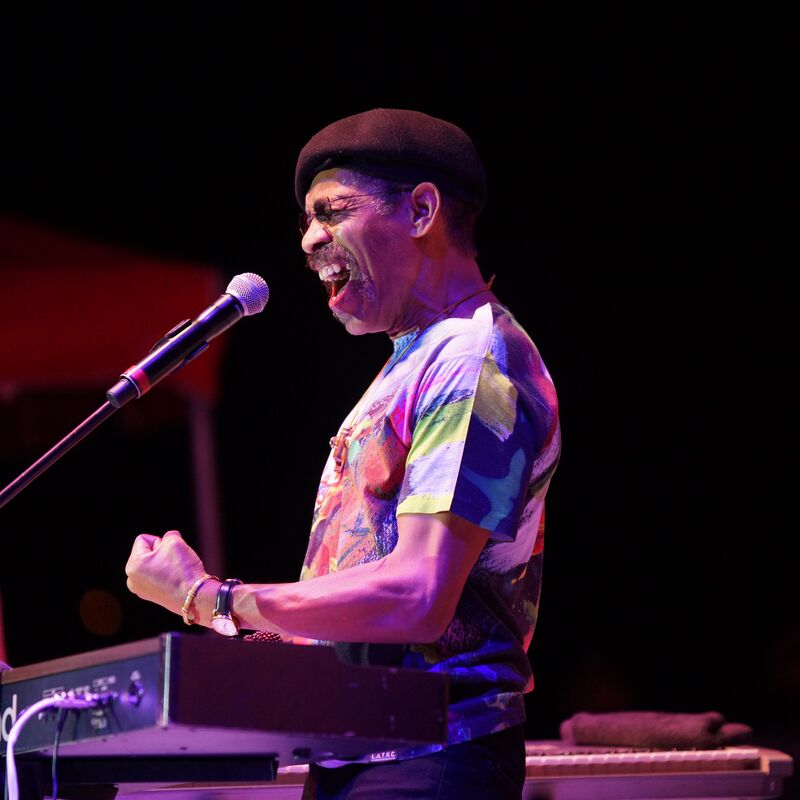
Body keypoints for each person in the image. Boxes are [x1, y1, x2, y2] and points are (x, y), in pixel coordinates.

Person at [125, 108, 561, 799]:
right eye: (306, 220)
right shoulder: (409, 365)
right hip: (362, 754)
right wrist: (202, 607)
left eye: (333, 211)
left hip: (433, 755)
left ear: (421, 210)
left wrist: (219, 599)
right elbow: (348, 630)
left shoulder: (472, 359)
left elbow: (419, 596)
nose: (308, 239)